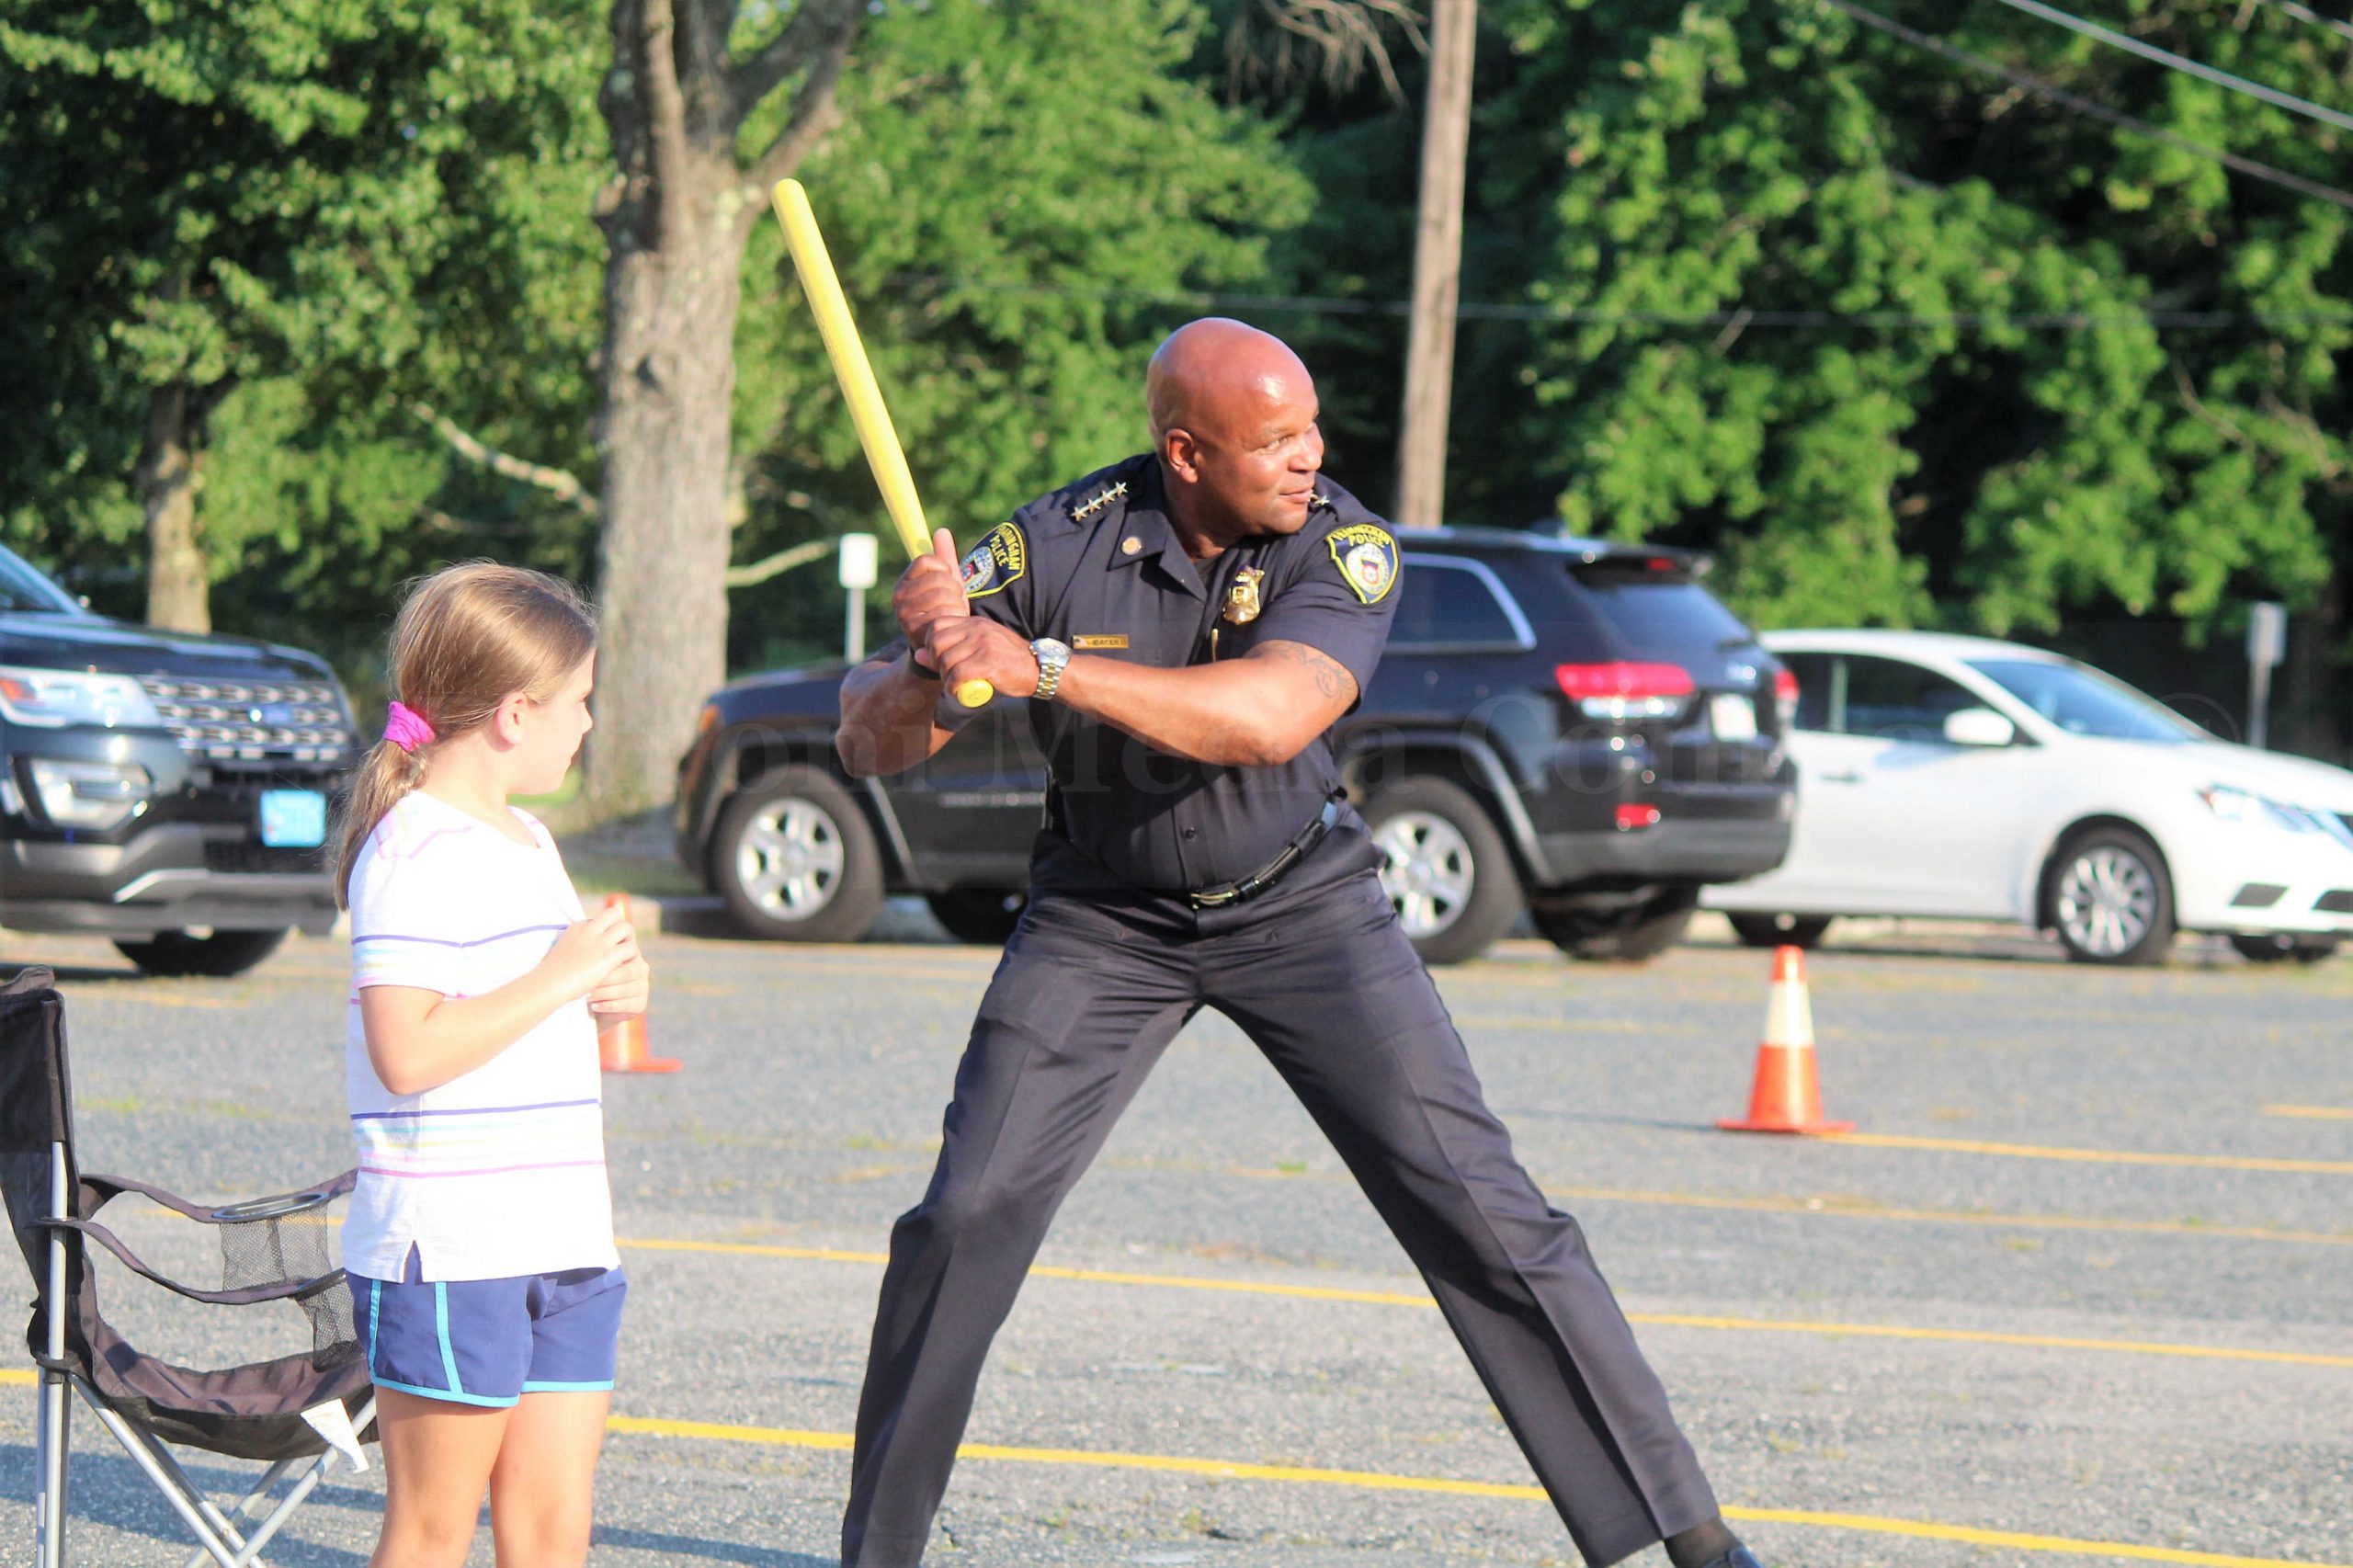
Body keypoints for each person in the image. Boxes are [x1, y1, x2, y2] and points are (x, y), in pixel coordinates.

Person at [831, 319, 1764, 1568]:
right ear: (1184, 450)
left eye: (1311, 426)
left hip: (1302, 902)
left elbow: (1272, 716)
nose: (1309, 457)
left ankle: (1685, 1539)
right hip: (1103, 916)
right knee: (967, 1208)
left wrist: (1043, 664)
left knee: (1483, 1209)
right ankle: (876, 1549)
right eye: (1274, 439)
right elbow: (868, 742)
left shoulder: (1344, 539)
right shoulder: (1052, 538)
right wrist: (934, 666)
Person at [332, 562, 651, 1568]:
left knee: (553, 1529)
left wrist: (607, 995)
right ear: (515, 713)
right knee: (432, 1530)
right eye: (580, 701)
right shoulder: (412, 851)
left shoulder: (531, 836)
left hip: (563, 1236)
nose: (589, 723)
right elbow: (407, 1050)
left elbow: (529, 1013)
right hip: (453, 1253)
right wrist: (560, 977)